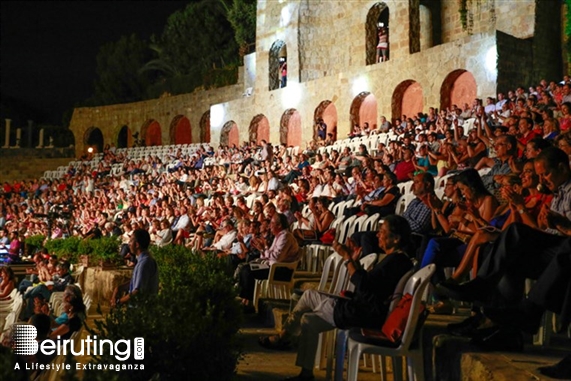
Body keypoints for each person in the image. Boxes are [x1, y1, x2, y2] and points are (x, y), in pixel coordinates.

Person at [438, 147, 571, 342]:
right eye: (540, 175)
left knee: (514, 233)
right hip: (554, 248)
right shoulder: (558, 193)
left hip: (563, 253)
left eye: (545, 174)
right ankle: (501, 329)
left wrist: (560, 224)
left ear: (562, 167)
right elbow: (544, 230)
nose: (543, 180)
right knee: (509, 257)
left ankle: (490, 298)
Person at [258, 215, 413, 381]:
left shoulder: (395, 261)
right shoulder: (398, 260)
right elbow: (371, 286)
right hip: (363, 310)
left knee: (309, 295)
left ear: (396, 239)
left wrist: (347, 258)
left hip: (361, 314)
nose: (377, 235)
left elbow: (363, 284)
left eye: (382, 232)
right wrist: (354, 260)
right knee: (309, 321)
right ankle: (306, 374)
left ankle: (283, 336)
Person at [237, 213, 299, 310]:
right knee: (245, 267)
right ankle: (245, 300)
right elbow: (269, 255)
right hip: (273, 267)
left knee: (247, 271)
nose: (269, 226)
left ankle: (248, 303)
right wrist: (262, 248)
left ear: (279, 225)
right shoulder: (279, 236)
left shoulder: (285, 237)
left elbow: (276, 258)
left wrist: (263, 249)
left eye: (272, 223)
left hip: (281, 270)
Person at [112, 229, 159, 306]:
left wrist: (119, 301)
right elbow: (136, 282)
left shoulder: (144, 263)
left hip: (142, 310)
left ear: (137, 245)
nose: (129, 244)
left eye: (130, 241)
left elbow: (138, 291)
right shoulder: (142, 260)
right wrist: (119, 288)